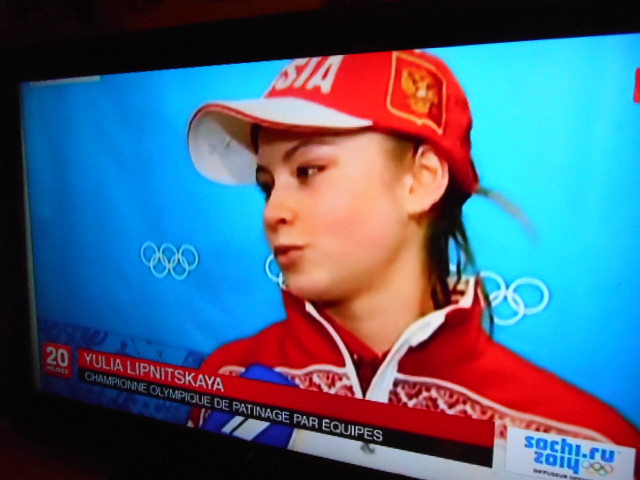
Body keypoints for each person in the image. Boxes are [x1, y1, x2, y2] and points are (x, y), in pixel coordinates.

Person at [186, 50, 639, 470]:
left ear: (421, 181)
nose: (273, 212)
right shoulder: (227, 377)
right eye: (268, 184)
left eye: (308, 171)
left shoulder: (589, 441)